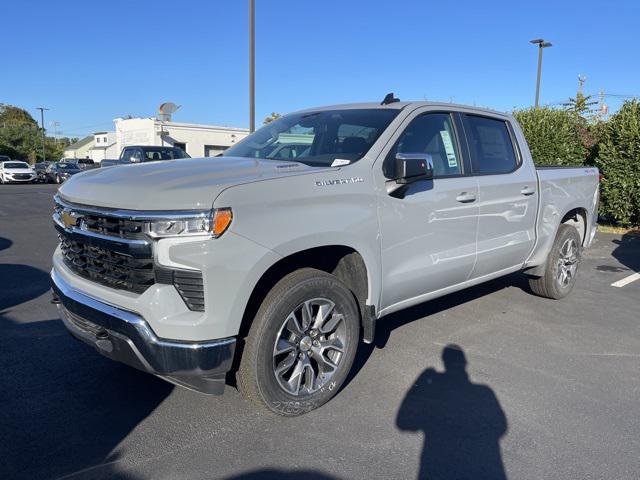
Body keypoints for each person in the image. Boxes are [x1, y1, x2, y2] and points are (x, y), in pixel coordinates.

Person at [397, 345, 508, 480]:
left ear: (444, 362)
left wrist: (422, 379)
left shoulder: (434, 386)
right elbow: (501, 426)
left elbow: (403, 422)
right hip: (479, 465)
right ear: (465, 364)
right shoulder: (484, 392)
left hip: (436, 463)